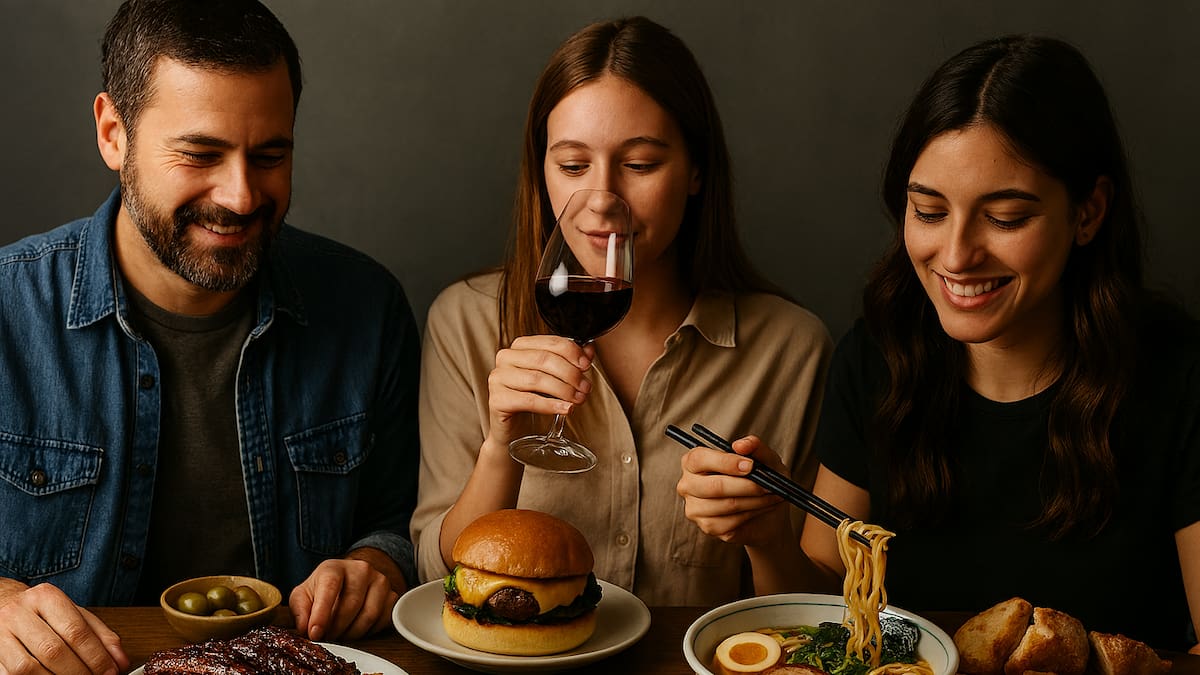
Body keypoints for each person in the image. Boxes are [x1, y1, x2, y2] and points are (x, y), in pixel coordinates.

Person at [678, 34, 1200, 651]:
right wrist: (765, 533)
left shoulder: (1180, 376)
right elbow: (825, 606)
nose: (955, 256)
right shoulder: (879, 356)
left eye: (1005, 218)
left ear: (1088, 212)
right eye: (928, 211)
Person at [0, 0, 420, 671]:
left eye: (270, 154)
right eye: (201, 152)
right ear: (113, 132)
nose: (242, 195)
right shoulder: (8, 306)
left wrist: (376, 565)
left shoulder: (368, 307)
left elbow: (399, 520)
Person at [410, 16, 832, 607]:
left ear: (696, 172)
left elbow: (819, 618)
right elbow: (436, 581)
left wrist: (767, 541)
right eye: (574, 166)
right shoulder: (465, 322)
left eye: (639, 165)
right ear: (543, 172)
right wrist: (501, 447)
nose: (603, 201)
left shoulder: (792, 348)